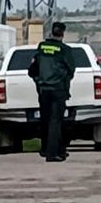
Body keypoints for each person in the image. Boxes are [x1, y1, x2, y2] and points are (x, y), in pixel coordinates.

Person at [28, 22, 75, 163]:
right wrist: (64, 81)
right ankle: (52, 153)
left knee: (46, 120)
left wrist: (39, 81)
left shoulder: (41, 47)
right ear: (62, 34)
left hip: (43, 90)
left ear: (51, 32)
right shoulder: (65, 49)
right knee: (56, 121)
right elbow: (71, 70)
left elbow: (32, 70)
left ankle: (54, 150)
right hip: (58, 90)